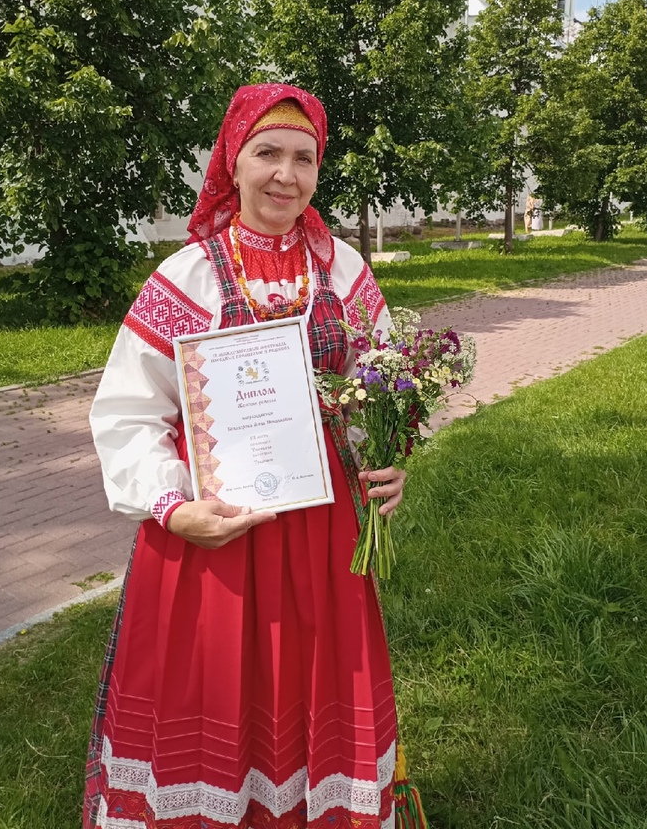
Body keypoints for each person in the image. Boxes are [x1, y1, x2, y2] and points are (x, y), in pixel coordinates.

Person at [84, 84, 408, 829]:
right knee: (215, 689)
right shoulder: (186, 277)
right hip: (215, 528)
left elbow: (383, 383)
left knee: (313, 685)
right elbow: (128, 410)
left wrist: (388, 457)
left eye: (304, 157)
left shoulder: (345, 272)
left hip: (323, 530)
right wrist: (174, 505)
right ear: (232, 162)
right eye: (267, 153)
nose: (284, 175)